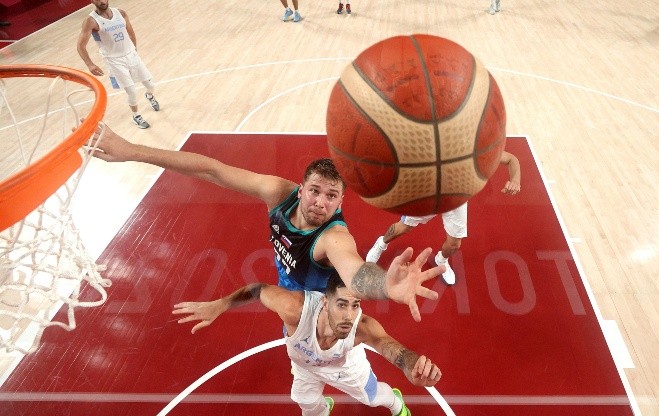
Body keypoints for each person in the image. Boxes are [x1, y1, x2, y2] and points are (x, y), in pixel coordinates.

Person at [91, 124, 443, 321]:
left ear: (340, 202)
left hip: (319, 306)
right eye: (315, 191)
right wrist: (131, 151)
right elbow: (211, 169)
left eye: (331, 196)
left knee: (331, 361)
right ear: (301, 188)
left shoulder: (334, 237)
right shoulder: (279, 192)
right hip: (287, 286)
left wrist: (386, 288)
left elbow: (355, 271)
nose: (320, 203)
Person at [173, 272, 442, 416]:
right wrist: (220, 305)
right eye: (341, 304)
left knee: (372, 399)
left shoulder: (360, 327)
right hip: (305, 366)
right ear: (325, 302)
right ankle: (323, 409)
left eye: (355, 305)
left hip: (346, 368)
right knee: (304, 401)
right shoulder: (296, 310)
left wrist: (409, 365)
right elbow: (257, 290)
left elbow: (388, 345)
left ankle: (396, 402)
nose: (349, 314)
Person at [366, 151, 521, 285]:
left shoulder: (477, 149)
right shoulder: (434, 143)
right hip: (429, 195)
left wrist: (515, 179)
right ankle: (381, 244)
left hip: (456, 200)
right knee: (402, 228)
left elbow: (511, 159)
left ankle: (441, 260)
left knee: (454, 245)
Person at [77, 0, 160, 129]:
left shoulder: (120, 13)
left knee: (150, 84)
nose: (102, 1)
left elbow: (130, 32)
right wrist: (90, 64)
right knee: (131, 91)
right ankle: (136, 116)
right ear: (92, 1)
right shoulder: (91, 21)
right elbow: (81, 46)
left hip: (131, 54)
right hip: (114, 60)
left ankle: (149, 96)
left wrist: (134, 49)